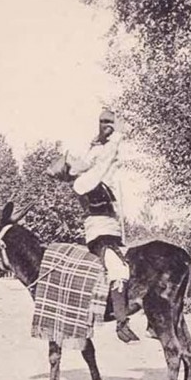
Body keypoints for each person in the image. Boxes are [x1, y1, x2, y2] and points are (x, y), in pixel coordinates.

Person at [48, 110, 139, 343]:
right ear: (71, 171)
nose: (76, 158)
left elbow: (93, 159)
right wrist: (117, 137)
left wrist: (100, 139)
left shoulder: (85, 175)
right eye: (72, 160)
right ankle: (121, 323)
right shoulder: (83, 182)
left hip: (109, 231)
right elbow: (102, 164)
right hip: (101, 235)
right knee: (118, 270)